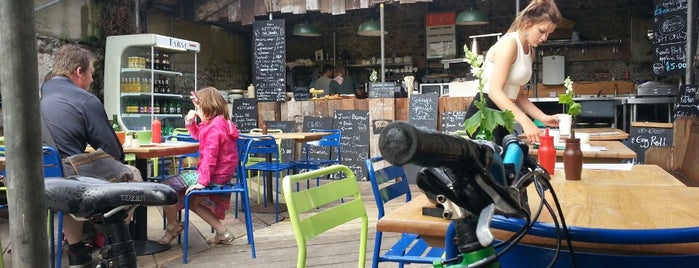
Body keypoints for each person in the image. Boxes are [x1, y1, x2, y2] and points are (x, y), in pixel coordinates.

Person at [41, 44, 126, 267]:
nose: (91, 81)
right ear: (79, 72)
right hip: (70, 178)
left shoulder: (37, 96)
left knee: (65, 186)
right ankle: (118, 245)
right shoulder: (85, 100)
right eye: (91, 74)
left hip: (39, 178)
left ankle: (77, 250)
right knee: (131, 175)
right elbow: (114, 152)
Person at [464, 0, 562, 144]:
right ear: (528, 23)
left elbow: (519, 95)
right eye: (542, 31)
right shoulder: (510, 44)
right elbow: (495, 92)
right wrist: (526, 122)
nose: (544, 38)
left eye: (549, 33)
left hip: (504, 115)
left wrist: (543, 118)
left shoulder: (530, 51)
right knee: (497, 162)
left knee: (512, 160)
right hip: (485, 113)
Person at [158, 86, 240, 246]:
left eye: (198, 107)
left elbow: (210, 157)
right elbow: (197, 134)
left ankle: (173, 226)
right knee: (194, 203)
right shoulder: (219, 123)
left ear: (208, 106)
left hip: (212, 175)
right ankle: (223, 233)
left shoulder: (215, 128)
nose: (197, 111)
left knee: (165, 187)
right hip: (221, 175)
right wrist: (190, 122)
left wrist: (201, 182)